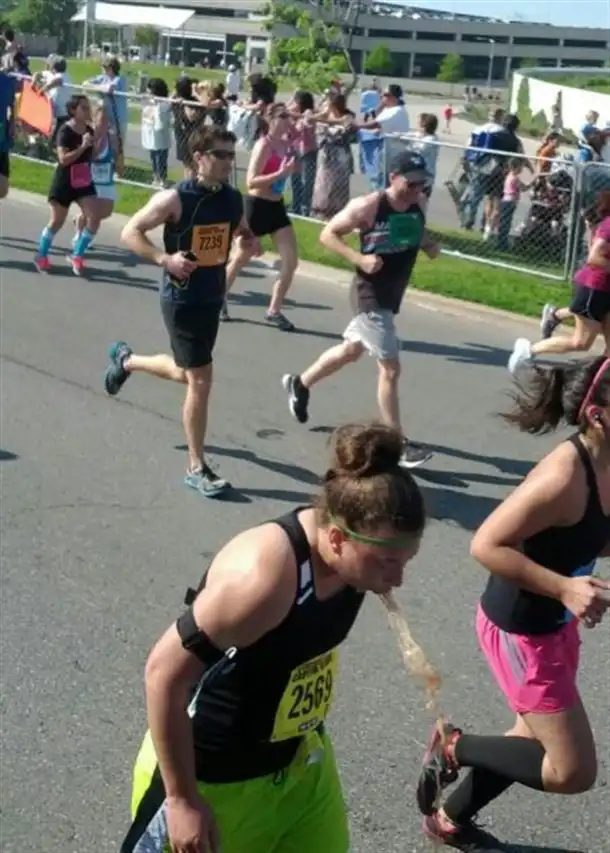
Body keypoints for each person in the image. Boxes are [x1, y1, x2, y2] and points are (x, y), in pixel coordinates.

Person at [120, 422, 426, 853]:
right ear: (336, 538)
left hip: (299, 763)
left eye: (405, 561)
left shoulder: (353, 560)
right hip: (214, 775)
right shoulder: (264, 581)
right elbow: (162, 675)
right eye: (386, 563)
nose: (397, 579)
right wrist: (182, 799)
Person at [417, 356, 610, 851]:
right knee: (572, 770)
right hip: (521, 631)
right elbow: (485, 544)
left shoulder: (607, 463)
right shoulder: (564, 476)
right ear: (597, 416)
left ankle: (450, 820)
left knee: (528, 738)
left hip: (554, 624)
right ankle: (453, 747)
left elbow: (591, 533)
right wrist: (565, 587)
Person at [103, 126, 259, 498]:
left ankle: (127, 361)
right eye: (220, 154)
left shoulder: (232, 198)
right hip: (182, 299)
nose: (228, 162)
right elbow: (130, 232)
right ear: (199, 158)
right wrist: (165, 259)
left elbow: (241, 230)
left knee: (185, 373)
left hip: (212, 297)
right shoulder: (175, 198)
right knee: (201, 379)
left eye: (231, 155)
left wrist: (249, 241)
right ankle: (196, 467)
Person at [282, 151, 440, 470]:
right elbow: (327, 234)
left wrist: (428, 243)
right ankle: (397, 444)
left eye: (422, 184)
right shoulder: (368, 206)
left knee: (351, 351)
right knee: (390, 368)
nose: (416, 189)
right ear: (393, 177)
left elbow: (414, 231)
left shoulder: (418, 203)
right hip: (370, 294)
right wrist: (359, 259)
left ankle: (300, 383)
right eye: (410, 183)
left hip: (392, 293)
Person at [509, 190, 610, 374]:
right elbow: (594, 257)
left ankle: (597, 380)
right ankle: (528, 350)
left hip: (605, 289)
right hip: (594, 288)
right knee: (581, 342)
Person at [223, 102, 299, 330]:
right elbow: (251, 181)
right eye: (283, 116)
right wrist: (280, 174)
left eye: (288, 116)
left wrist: (291, 169)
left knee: (291, 261)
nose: (287, 120)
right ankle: (218, 299)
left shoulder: (286, 144)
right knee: (241, 258)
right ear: (270, 118)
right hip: (256, 206)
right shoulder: (263, 145)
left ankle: (274, 310)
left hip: (277, 207)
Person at [34, 94, 101, 275]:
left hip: (83, 179)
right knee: (57, 221)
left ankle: (77, 255)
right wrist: (82, 146)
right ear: (73, 110)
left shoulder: (89, 130)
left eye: (88, 107)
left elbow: (93, 156)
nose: (87, 111)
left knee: (94, 218)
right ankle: (41, 255)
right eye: (83, 108)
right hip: (64, 181)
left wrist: (95, 143)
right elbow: (63, 159)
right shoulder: (65, 130)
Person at [73, 101, 121, 254]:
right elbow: (89, 157)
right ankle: (80, 237)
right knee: (93, 214)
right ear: (94, 120)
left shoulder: (112, 137)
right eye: (101, 120)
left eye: (107, 120)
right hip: (90, 181)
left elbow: (116, 156)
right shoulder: (88, 136)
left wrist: (118, 160)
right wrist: (97, 142)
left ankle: (81, 219)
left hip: (106, 180)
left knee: (105, 212)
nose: (105, 123)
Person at [0, 67, 16, 200]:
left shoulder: (7, 81)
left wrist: (12, 122)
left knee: (3, 189)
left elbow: (13, 104)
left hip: (2, 136)